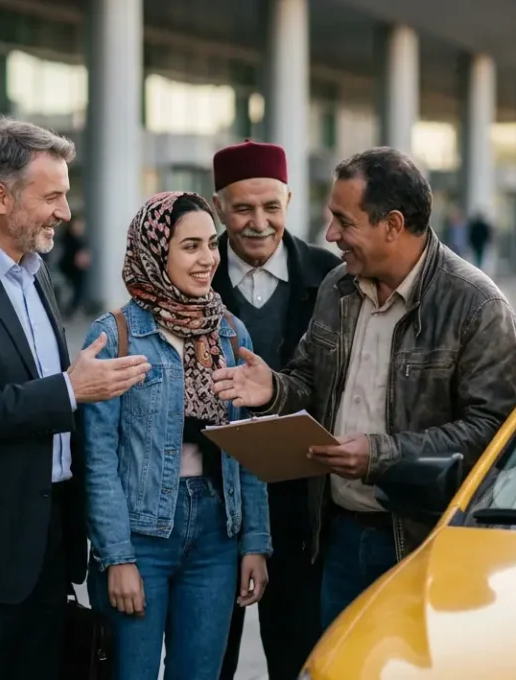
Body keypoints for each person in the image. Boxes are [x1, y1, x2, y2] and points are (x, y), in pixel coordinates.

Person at [211, 146, 516, 628]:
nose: (330, 235)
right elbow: (309, 381)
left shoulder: (478, 307)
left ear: (393, 225)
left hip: (424, 546)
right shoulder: (338, 287)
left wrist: (379, 456)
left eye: (343, 221)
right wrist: (272, 388)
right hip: (337, 540)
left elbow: (496, 431)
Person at [0, 118, 151, 680]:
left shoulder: (35, 272)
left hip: (47, 554)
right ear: (0, 196)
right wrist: (70, 388)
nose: (65, 211)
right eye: (53, 196)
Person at [83, 190, 272, 680]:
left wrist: (255, 542)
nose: (208, 258)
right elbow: (98, 459)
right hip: (141, 535)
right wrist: (117, 557)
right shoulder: (115, 337)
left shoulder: (232, 334)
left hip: (216, 534)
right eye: (190, 246)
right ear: (155, 251)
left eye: (212, 244)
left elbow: (247, 448)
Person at [207, 140, 340, 680]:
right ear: (218, 208)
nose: (258, 223)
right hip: (217, 508)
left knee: (301, 656)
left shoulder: (333, 277)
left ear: (289, 199)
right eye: (242, 209)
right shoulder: (192, 272)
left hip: (306, 509)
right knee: (212, 657)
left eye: (271, 207)